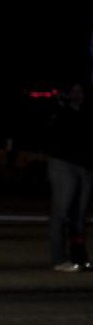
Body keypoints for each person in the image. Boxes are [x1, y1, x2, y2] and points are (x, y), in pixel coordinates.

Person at [45, 81, 92, 272]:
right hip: (63, 164)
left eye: (80, 91)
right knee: (61, 213)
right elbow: (51, 134)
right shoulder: (60, 112)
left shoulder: (86, 113)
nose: (77, 94)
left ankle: (79, 257)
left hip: (85, 167)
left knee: (79, 216)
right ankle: (58, 259)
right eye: (73, 91)